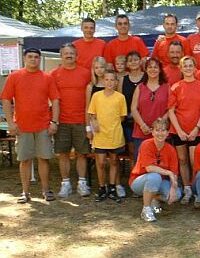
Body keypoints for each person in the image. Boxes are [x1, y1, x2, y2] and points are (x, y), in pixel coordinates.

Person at [1, 48, 60, 203]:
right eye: (30, 57)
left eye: (36, 57)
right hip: (22, 126)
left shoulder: (47, 77)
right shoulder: (15, 76)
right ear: (24, 58)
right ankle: (25, 192)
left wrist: (54, 122)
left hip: (43, 126)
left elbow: (55, 100)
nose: (33, 59)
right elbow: (6, 99)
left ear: (39, 59)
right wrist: (10, 123)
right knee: (25, 160)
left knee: (43, 158)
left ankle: (46, 190)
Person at [50, 43, 91, 198]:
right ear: (61, 56)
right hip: (62, 121)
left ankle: (82, 183)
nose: (69, 55)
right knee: (63, 154)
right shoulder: (54, 74)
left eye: (71, 53)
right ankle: (65, 184)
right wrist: (53, 121)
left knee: (82, 154)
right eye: (66, 53)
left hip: (81, 120)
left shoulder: (86, 73)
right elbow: (52, 99)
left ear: (76, 55)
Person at [168, 56, 200, 204]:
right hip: (179, 129)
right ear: (181, 68)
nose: (188, 68)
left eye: (190, 65)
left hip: (195, 130)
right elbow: (171, 111)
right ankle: (187, 189)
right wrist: (179, 130)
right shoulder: (176, 87)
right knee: (182, 159)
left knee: (194, 160)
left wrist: (197, 128)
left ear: (195, 67)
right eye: (185, 66)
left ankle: (197, 189)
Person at [129, 118, 181, 222]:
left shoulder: (171, 149)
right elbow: (149, 168)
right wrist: (168, 172)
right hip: (139, 181)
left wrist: (173, 187)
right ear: (152, 132)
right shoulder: (146, 144)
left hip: (159, 181)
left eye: (163, 130)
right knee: (154, 176)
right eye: (157, 130)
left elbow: (174, 172)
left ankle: (154, 198)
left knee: (177, 195)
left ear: (167, 133)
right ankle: (146, 209)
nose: (160, 133)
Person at [88, 70, 127, 202]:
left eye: (112, 80)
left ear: (116, 82)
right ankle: (101, 187)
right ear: (103, 80)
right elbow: (92, 114)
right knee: (100, 162)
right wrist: (94, 123)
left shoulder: (120, 98)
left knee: (114, 161)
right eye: (107, 79)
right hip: (100, 135)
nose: (109, 82)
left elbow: (122, 117)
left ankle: (112, 187)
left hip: (114, 135)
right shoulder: (96, 96)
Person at [131, 58, 169, 163]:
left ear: (160, 70)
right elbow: (133, 109)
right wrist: (142, 125)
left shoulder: (167, 87)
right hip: (142, 131)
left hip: (161, 132)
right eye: (150, 67)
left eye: (155, 67)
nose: (153, 69)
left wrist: (159, 124)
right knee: (141, 162)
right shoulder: (140, 87)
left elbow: (171, 109)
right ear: (146, 70)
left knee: (161, 162)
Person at [118, 51, 145, 168]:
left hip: (145, 120)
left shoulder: (147, 76)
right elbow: (119, 100)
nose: (133, 62)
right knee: (132, 151)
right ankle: (133, 176)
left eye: (135, 60)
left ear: (140, 61)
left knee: (145, 150)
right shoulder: (122, 80)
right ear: (127, 64)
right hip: (129, 121)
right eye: (130, 60)